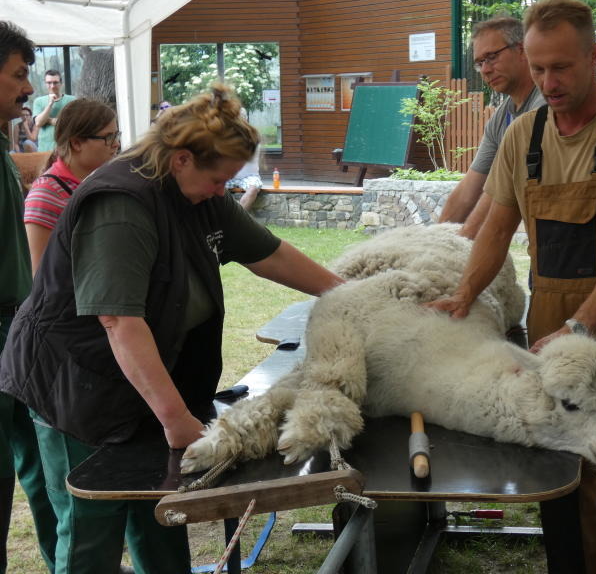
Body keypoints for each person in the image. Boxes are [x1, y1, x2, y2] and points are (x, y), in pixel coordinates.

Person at [0, 82, 344, 574]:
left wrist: (345, 291)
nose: (224, 190)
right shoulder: (120, 204)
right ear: (182, 159)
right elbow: (119, 321)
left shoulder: (199, 192)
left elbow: (268, 254)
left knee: (162, 512)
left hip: (139, 376)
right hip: (77, 383)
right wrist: (175, 418)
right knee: (92, 525)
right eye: (218, 178)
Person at [428, 0, 596, 573]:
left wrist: (580, 324)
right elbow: (495, 229)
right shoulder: (523, 135)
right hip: (549, 316)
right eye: (539, 68)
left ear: (594, 55)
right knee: (563, 470)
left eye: (561, 67)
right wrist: (464, 294)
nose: (549, 81)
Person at [0, 21, 58, 574]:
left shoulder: (1, 141)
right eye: (19, 76)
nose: (28, 89)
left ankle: (67, 561)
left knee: (42, 460)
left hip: (18, 331)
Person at [439, 15, 544, 238]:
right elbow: (468, 192)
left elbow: (499, 196)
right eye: (479, 63)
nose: (485, 70)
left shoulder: (545, 106)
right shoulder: (502, 117)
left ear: (522, 50)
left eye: (492, 57)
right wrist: (434, 241)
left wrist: (448, 247)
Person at [24, 98, 119, 273]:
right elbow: (42, 278)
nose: (116, 144)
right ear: (76, 143)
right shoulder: (45, 195)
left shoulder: (100, 182)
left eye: (116, 135)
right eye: (108, 137)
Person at [33, 70, 76, 152]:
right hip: (45, 148)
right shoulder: (38, 101)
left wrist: (47, 120)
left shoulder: (72, 100)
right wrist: (50, 104)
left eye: (55, 82)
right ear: (45, 84)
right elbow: (38, 123)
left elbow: (74, 122)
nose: (52, 86)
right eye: (49, 83)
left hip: (67, 148)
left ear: (61, 83)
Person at [224, 142, 262, 212]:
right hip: (228, 176)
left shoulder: (253, 141)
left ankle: (236, 218)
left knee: (253, 189)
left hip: (249, 177)